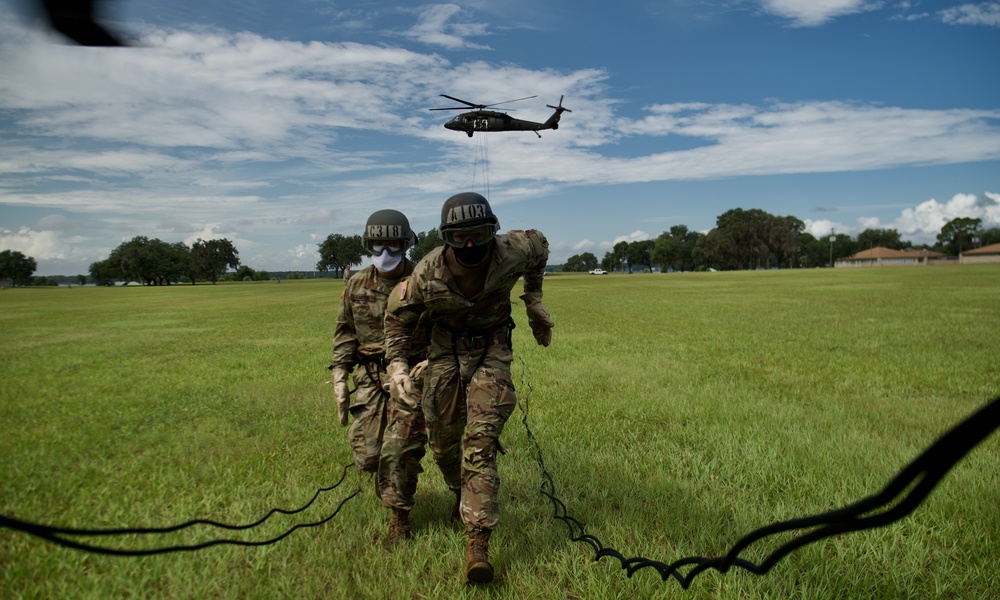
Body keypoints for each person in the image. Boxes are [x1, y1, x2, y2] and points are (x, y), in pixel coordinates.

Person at [383, 192, 553, 583]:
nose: (471, 245)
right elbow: (396, 318)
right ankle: (459, 491)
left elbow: (541, 247)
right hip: (444, 353)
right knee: (444, 444)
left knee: (480, 441)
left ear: (493, 231)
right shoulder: (427, 273)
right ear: (446, 238)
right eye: (459, 238)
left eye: (479, 234)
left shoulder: (515, 249)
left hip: (493, 350)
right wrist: (397, 367)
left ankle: (477, 541)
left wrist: (533, 300)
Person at [330, 209, 430, 545]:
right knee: (369, 455)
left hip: (412, 375)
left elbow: (445, 328)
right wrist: (340, 376)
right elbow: (345, 331)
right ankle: (390, 482)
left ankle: (398, 519)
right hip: (370, 375)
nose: (385, 253)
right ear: (368, 245)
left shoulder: (424, 281)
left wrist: (431, 362)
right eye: (378, 245)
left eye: (393, 244)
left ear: (406, 244)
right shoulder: (356, 284)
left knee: (399, 449)